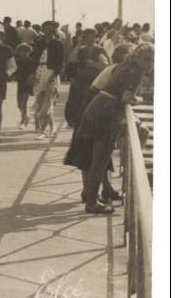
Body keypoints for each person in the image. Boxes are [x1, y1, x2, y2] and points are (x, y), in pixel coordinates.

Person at [64, 43, 154, 214]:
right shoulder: (135, 72)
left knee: (96, 160)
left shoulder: (124, 66)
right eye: (146, 59)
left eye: (152, 60)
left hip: (96, 107)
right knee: (100, 160)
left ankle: (91, 197)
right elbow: (127, 98)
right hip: (107, 112)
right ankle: (92, 203)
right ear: (136, 57)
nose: (149, 63)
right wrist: (141, 99)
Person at [31, 20, 64, 139]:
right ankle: (52, 127)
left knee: (48, 102)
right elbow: (34, 58)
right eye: (46, 29)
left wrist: (53, 76)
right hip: (39, 71)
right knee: (40, 101)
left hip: (51, 72)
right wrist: (33, 74)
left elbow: (60, 63)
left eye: (51, 29)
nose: (48, 32)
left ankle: (42, 130)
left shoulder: (58, 44)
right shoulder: (39, 43)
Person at [12, 43, 37, 129]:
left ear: (29, 52)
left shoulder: (31, 61)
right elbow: (14, 71)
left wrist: (32, 77)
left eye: (26, 51)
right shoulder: (17, 62)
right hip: (20, 84)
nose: (23, 52)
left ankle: (23, 121)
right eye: (21, 51)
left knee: (23, 103)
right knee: (19, 104)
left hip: (28, 84)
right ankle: (26, 117)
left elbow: (35, 72)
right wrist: (13, 76)